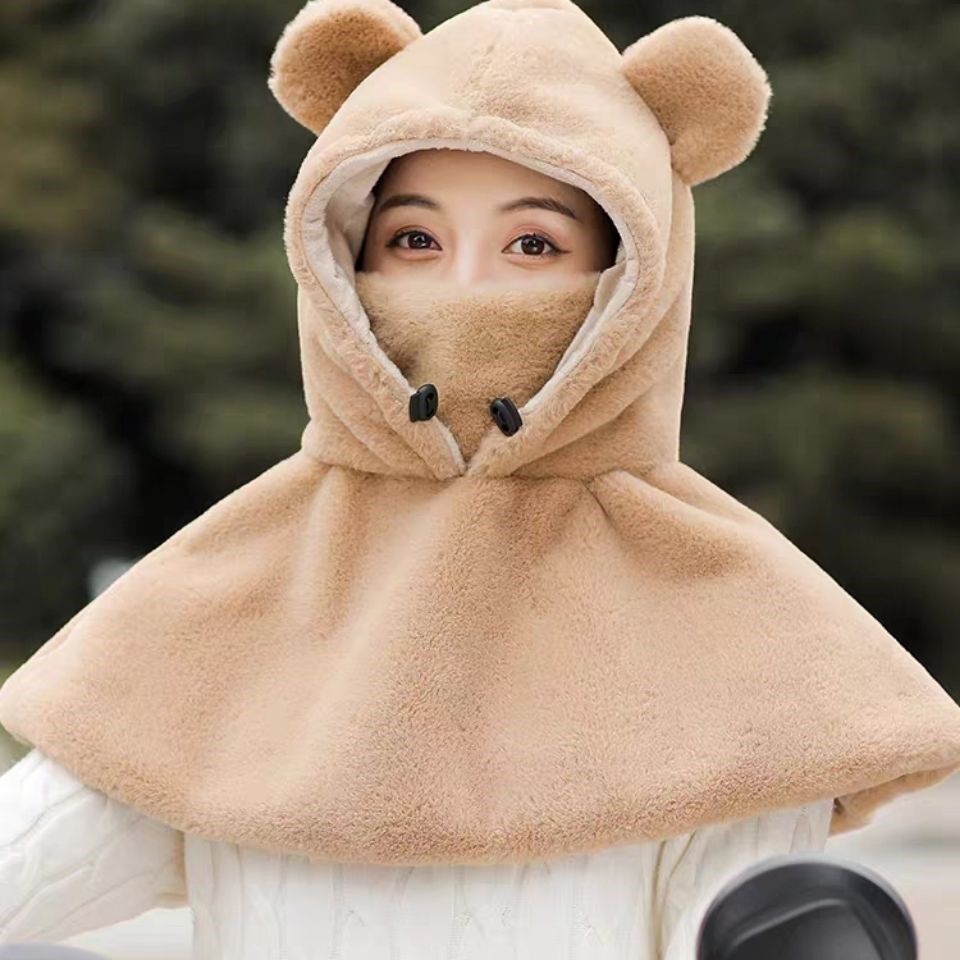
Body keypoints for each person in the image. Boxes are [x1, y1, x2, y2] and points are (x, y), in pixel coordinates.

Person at [3, 1, 960, 958]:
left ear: (636, 274)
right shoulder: (230, 593)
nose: (463, 288)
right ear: (340, 253)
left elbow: (748, 916)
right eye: (415, 241)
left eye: (533, 244)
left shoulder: (728, 622)